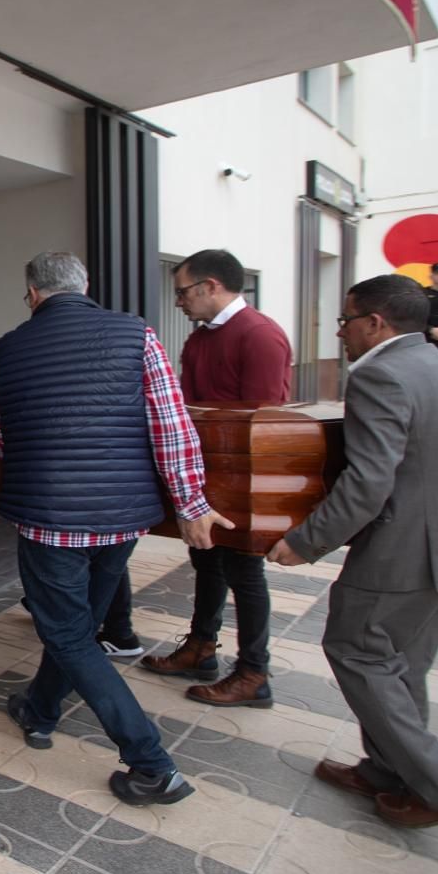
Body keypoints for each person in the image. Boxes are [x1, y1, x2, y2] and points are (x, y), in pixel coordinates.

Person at [0, 251, 232, 806]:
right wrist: (190, 503)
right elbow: (170, 425)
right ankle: (40, 710)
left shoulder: (6, 351)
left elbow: (4, 438)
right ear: (86, 286)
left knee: (71, 635)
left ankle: (152, 764)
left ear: (32, 294)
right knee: (81, 628)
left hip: (48, 519)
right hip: (121, 518)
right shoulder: (136, 334)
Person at [268, 274, 438, 829]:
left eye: (346, 321)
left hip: (405, 552)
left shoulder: (380, 375)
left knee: (358, 652)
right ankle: (388, 771)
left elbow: (370, 481)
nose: (341, 333)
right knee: (400, 668)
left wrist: (306, 540)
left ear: (375, 323)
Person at [118, 249, 293, 708]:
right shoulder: (198, 341)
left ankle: (255, 671)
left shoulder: (260, 335)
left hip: (243, 481)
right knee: (205, 563)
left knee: (244, 573)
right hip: (203, 476)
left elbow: (266, 422)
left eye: (182, 291)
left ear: (211, 285)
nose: (178, 301)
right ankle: (201, 647)